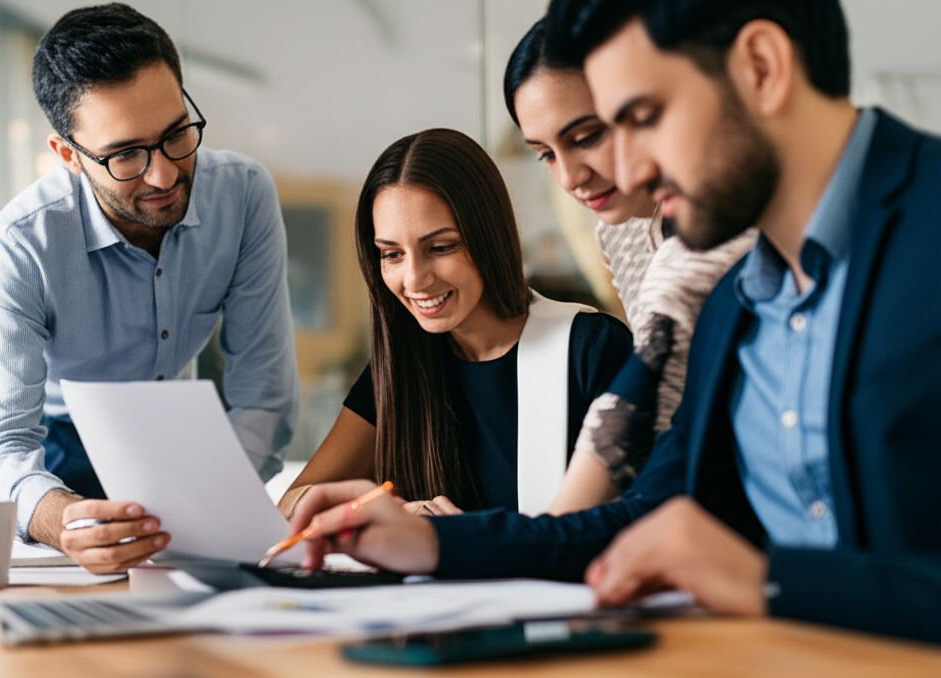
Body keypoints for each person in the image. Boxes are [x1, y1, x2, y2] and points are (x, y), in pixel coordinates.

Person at [287, 0, 941, 645]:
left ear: (762, 68)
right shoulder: (734, 305)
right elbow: (631, 523)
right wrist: (430, 540)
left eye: (641, 118)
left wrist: (772, 583)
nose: (625, 175)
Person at [0, 4, 299, 574]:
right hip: (60, 451)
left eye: (176, 136)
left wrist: (222, 502)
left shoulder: (243, 195)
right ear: (69, 156)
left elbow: (262, 394)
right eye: (125, 155)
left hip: (185, 437)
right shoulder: (19, 241)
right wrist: (61, 521)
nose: (165, 176)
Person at [278, 128, 632, 519]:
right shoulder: (401, 365)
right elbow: (294, 505)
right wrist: (394, 512)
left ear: (488, 236)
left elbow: (631, 520)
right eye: (392, 254)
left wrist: (455, 539)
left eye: (440, 247)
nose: (414, 279)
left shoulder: (591, 349)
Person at [505, 19, 755, 513]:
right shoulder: (619, 229)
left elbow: (635, 416)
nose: (570, 177)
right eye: (545, 155)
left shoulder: (714, 232)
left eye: (588, 136)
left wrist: (535, 537)